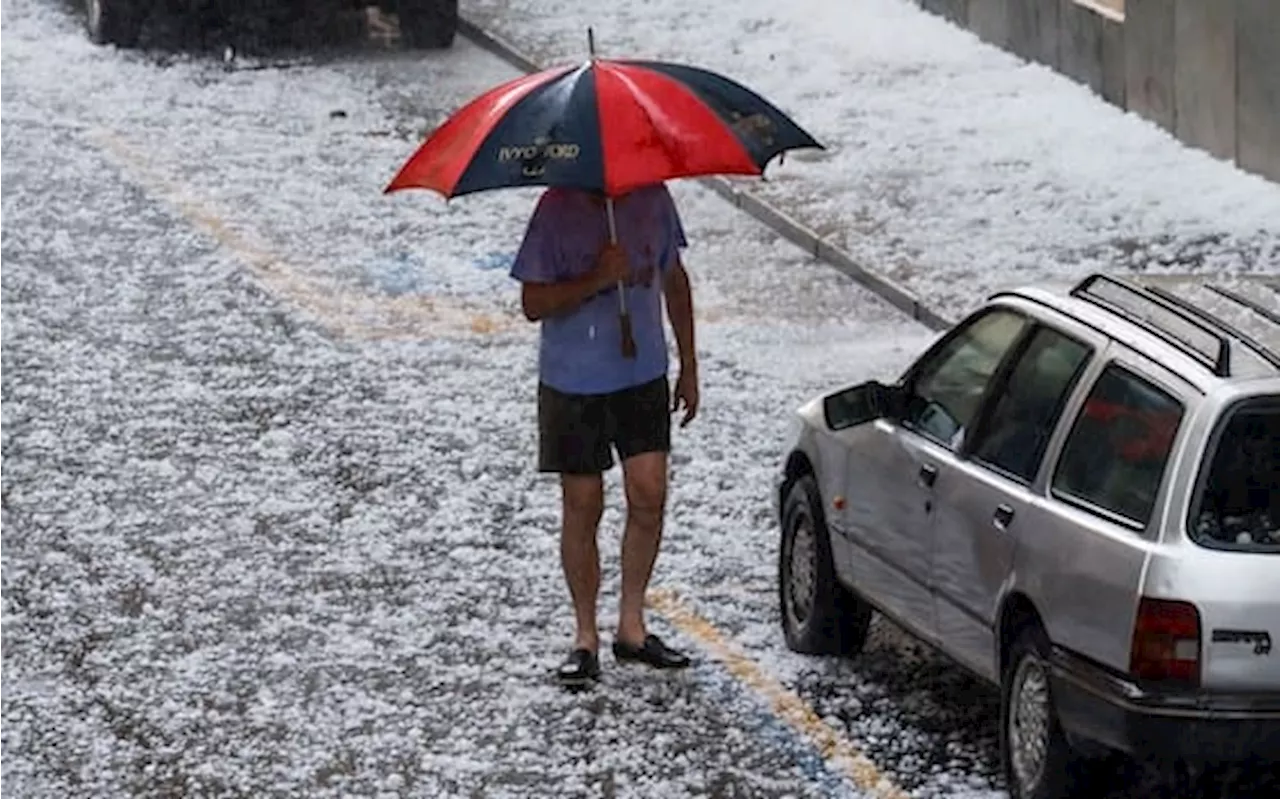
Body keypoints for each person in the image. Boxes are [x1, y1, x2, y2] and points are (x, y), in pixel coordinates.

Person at [509, 182, 700, 686]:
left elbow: (674, 280)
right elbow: (533, 303)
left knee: (649, 491)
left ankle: (632, 625)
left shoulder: (654, 201)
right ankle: (584, 634)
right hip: (572, 381)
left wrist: (690, 363)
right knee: (583, 501)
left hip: (642, 375)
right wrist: (597, 278)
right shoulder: (554, 211)